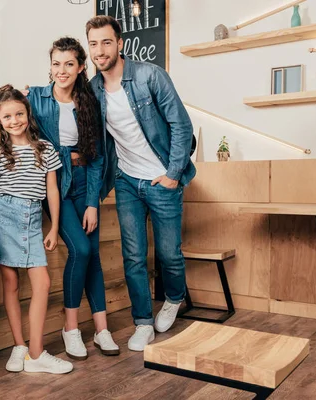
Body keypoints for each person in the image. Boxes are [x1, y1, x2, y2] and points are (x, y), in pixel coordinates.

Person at [0, 37, 119, 361]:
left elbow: (98, 155)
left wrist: (93, 201)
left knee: (93, 256)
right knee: (82, 248)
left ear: (80, 67)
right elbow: (2, 114)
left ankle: (102, 328)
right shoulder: (34, 96)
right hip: (53, 183)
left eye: (69, 64)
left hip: (83, 180)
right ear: (50, 66)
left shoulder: (89, 102)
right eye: (56, 63)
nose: (62, 70)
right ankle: (70, 327)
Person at [85, 15, 196, 351]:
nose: (100, 50)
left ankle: (174, 298)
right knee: (132, 256)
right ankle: (143, 322)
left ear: (120, 44)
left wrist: (173, 175)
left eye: (106, 42)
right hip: (128, 182)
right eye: (93, 44)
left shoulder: (150, 76)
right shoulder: (92, 89)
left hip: (162, 179)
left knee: (168, 254)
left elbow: (182, 125)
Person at [0, 84, 74, 374]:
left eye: (19, 114)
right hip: (3, 216)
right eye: (7, 117)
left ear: (27, 114)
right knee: (10, 284)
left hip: (33, 217)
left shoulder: (45, 149)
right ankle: (20, 346)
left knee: (42, 283)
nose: (14, 121)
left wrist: (55, 226)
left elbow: (53, 192)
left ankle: (36, 354)